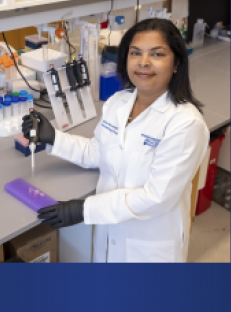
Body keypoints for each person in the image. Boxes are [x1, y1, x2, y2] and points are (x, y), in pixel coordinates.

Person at [22, 18, 210, 262]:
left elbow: (156, 198)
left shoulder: (185, 124)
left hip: (150, 246)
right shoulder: (119, 103)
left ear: (176, 63)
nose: (143, 62)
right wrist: (54, 138)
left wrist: (85, 209)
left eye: (157, 54)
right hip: (109, 235)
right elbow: (99, 152)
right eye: (135, 53)